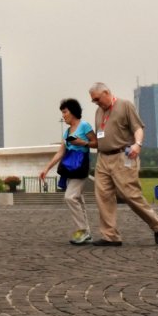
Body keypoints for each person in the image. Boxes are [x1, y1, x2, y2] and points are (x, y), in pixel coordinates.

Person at [89, 82, 158, 246]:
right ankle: (110, 236)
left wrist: (138, 144)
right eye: (93, 100)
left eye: (97, 99)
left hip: (123, 156)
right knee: (103, 196)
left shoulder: (125, 105)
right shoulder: (98, 112)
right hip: (103, 158)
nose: (96, 102)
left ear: (106, 92)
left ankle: (157, 223)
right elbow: (101, 137)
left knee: (130, 195)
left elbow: (138, 128)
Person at [38, 98, 95, 243]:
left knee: (70, 197)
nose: (63, 115)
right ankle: (86, 232)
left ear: (73, 111)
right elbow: (60, 152)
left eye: (65, 112)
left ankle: (82, 230)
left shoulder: (84, 126)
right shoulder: (67, 132)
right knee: (78, 199)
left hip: (80, 166)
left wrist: (82, 142)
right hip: (70, 168)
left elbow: (96, 143)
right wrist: (47, 168)